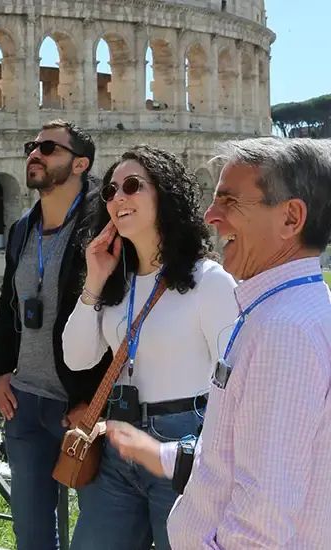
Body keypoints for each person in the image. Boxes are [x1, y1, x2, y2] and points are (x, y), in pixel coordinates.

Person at [106, 137, 331, 548]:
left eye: (229, 201)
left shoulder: (283, 330)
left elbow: (264, 511)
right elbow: (245, 450)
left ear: (290, 218)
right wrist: (158, 454)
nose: (211, 215)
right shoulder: (281, 310)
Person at [62, 145, 239, 550]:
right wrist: (94, 279)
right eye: (109, 191)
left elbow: (237, 379)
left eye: (131, 186)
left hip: (180, 441)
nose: (117, 198)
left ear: (165, 194)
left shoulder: (207, 280)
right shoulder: (114, 283)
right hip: (117, 443)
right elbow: (77, 357)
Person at [0, 120, 109, 550]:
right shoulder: (24, 227)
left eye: (49, 149)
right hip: (25, 400)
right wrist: (0, 372)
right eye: (32, 147)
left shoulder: (104, 226)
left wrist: (92, 401)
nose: (35, 154)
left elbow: (116, 315)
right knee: (31, 532)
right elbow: (7, 304)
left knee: (99, 532)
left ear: (80, 163)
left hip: (80, 407)